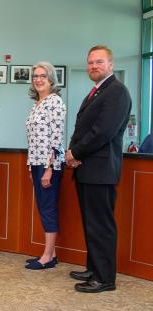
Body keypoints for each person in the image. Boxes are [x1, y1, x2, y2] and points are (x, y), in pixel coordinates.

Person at [66, 45, 131, 293]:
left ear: (111, 65)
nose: (94, 66)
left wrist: (75, 153)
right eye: (91, 62)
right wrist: (73, 154)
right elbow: (82, 128)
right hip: (86, 169)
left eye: (99, 62)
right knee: (90, 223)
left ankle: (105, 279)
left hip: (101, 170)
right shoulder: (96, 92)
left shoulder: (117, 92)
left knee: (101, 226)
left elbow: (103, 132)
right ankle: (94, 268)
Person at [24, 62, 66, 269]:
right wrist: (31, 167)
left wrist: (50, 168)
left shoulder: (55, 102)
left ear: (51, 79)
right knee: (43, 207)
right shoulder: (37, 104)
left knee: (47, 208)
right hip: (36, 163)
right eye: (35, 76)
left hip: (50, 164)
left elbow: (57, 139)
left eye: (43, 76)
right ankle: (52, 254)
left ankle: (47, 256)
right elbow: (32, 140)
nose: (38, 79)